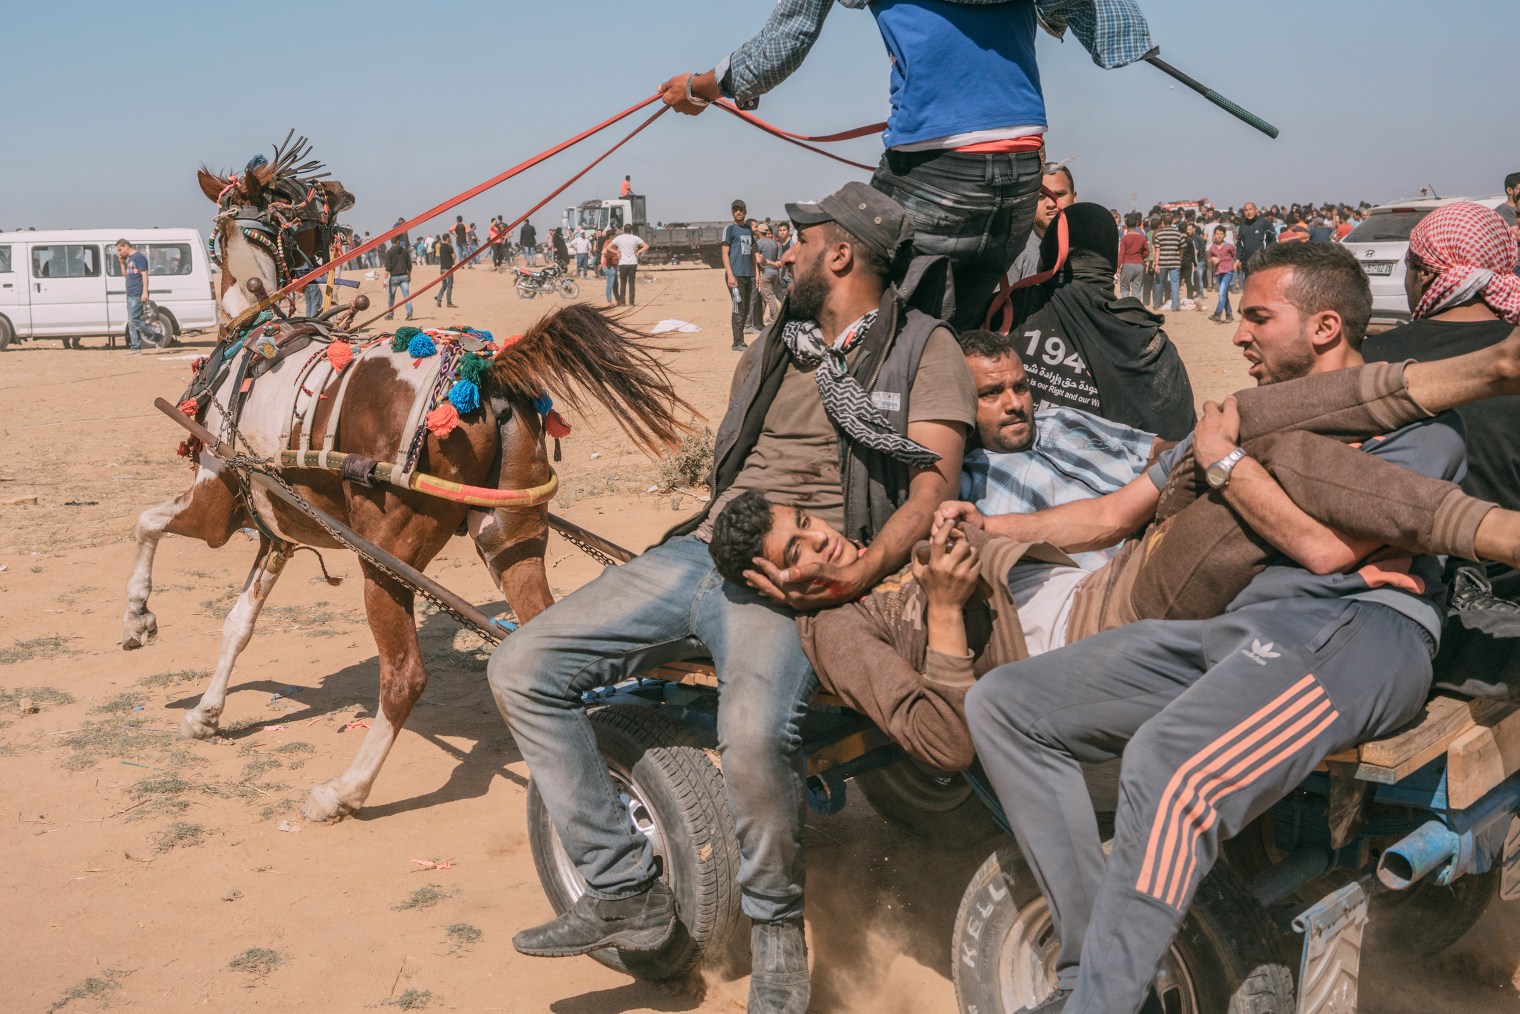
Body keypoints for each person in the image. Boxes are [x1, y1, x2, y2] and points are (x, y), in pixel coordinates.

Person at [491, 182, 975, 1014]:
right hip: (705, 552)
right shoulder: (775, 345)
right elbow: (731, 467)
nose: (783, 252)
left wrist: (858, 573)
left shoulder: (923, 349)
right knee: (518, 664)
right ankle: (622, 889)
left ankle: (777, 933)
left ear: (841, 254)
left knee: (752, 736)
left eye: (799, 239)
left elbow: (931, 486)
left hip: (798, 577)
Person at [962, 241, 1473, 1014]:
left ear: (1326, 327)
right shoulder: (1245, 422)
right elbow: (1110, 514)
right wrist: (988, 528)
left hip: (1355, 633)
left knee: (1171, 770)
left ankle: (1101, 1001)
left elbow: (1333, 551)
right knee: (1004, 706)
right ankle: (1086, 970)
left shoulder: (1421, 435)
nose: (1240, 335)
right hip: (1247, 626)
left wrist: (1226, 464)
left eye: (1259, 317)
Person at [714, 314, 1520, 774]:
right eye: (797, 559)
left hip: (1126, 562)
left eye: (809, 530)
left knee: (1233, 422)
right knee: (1254, 455)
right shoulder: (837, 630)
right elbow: (948, 742)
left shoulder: (887, 538)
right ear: (772, 585)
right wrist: (950, 613)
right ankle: (1491, 524)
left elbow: (1101, 515)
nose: (821, 549)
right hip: (1102, 627)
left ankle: (1483, 372)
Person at [658, 0, 1154, 332]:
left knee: (850, 319)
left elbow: (780, 47)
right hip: (1023, 168)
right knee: (966, 333)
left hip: (936, 168)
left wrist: (700, 87)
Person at [1006, 204, 1196, 440]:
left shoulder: (1012, 308)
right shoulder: (1147, 343)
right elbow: (1176, 441)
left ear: (1050, 250)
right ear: (1111, 258)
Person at [1009, 163, 1077, 283]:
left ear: (1074, 197)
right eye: (1041, 196)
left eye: (1059, 194)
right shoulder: (1014, 250)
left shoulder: (1088, 247)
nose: (1051, 204)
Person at [723, 200, 758, 351]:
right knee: (738, 308)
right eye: (735, 210)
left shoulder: (749, 230)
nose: (738, 212)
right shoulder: (729, 230)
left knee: (746, 308)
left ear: (745, 211)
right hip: (735, 275)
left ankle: (740, 340)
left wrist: (756, 274)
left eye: (741, 209)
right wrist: (730, 275)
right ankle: (737, 343)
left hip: (748, 275)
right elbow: (725, 254)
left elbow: (753, 254)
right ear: (732, 212)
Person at [115, 239, 155, 354]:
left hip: (137, 293)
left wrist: (145, 292)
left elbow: (145, 274)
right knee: (132, 322)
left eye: (120, 250)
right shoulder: (130, 260)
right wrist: (122, 263)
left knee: (134, 321)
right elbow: (126, 276)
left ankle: (153, 337)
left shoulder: (138, 258)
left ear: (126, 246)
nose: (119, 252)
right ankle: (136, 346)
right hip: (130, 293)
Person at [1151, 215, 1184, 312]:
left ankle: (1157, 304)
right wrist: (1179, 258)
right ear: (1172, 221)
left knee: (1159, 283)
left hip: (1162, 262)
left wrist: (1156, 263)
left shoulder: (1159, 234)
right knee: (1175, 283)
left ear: (1163, 223)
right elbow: (1182, 248)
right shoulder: (1178, 233)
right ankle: (1175, 306)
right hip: (1175, 261)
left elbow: (1157, 250)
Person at [609, 224, 648, 306]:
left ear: (624, 230)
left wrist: (617, 252)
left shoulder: (619, 238)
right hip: (633, 262)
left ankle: (622, 302)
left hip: (622, 262)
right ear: (631, 230)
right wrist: (638, 252)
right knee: (631, 283)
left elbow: (609, 247)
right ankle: (631, 302)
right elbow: (646, 246)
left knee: (623, 283)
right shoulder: (635, 238)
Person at [755, 222, 783, 328]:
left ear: (759, 232)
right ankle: (758, 320)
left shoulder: (759, 243)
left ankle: (777, 318)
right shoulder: (774, 243)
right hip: (775, 273)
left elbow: (758, 259)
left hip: (765, 273)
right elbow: (778, 259)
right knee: (764, 297)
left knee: (769, 297)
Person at [1236, 201, 1276, 274]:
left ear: (1256, 210)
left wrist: (1269, 257)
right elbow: (1239, 244)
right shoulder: (1242, 227)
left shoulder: (1265, 223)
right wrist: (1238, 259)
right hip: (1248, 264)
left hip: (1263, 263)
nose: (1248, 212)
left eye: (1250, 209)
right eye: (1246, 210)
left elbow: (1274, 240)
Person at [1207, 225, 1237, 323]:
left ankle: (1217, 314)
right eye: (1217, 234)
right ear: (1214, 235)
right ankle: (1229, 315)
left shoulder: (1229, 246)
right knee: (1224, 294)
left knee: (1221, 293)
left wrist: (1236, 264)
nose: (1219, 236)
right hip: (1218, 273)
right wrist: (1212, 259)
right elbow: (1208, 260)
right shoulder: (1212, 248)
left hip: (1228, 272)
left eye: (1221, 234)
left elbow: (1235, 256)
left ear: (1224, 235)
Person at [1117, 212, 1147, 301]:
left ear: (1126, 225)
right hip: (1139, 265)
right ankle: (1136, 308)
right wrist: (1142, 257)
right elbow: (1147, 252)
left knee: (1124, 288)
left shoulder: (1125, 238)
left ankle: (1126, 307)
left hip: (1127, 264)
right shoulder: (1142, 237)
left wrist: (1118, 266)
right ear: (1137, 223)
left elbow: (1121, 254)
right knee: (1137, 289)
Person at [383, 236, 413, 321]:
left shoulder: (389, 252)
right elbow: (409, 266)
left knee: (391, 297)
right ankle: (409, 314)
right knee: (407, 297)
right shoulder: (405, 252)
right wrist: (409, 276)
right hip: (404, 276)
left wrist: (384, 280)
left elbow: (388, 268)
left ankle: (390, 315)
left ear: (392, 242)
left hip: (394, 277)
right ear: (398, 241)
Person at [435, 234, 457, 308]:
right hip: (448, 269)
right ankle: (449, 302)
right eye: (450, 238)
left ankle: (438, 300)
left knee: (444, 285)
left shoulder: (441, 247)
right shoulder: (449, 247)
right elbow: (454, 257)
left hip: (442, 269)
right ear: (447, 239)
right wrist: (452, 249)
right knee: (449, 285)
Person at [599, 229, 619, 304]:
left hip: (612, 266)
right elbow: (604, 253)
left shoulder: (611, 243)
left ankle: (618, 300)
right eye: (614, 235)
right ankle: (609, 301)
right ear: (611, 236)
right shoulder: (607, 244)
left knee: (615, 285)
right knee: (610, 285)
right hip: (609, 267)